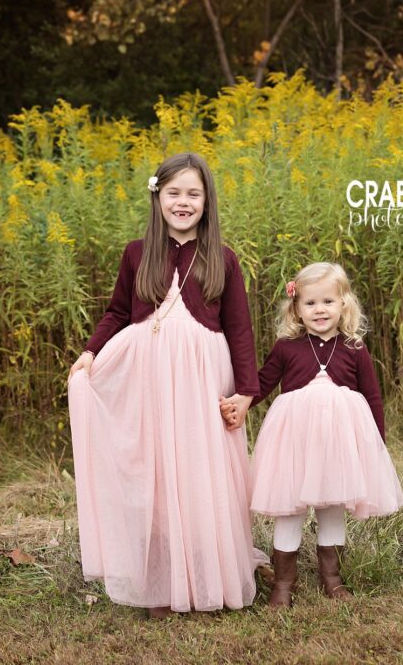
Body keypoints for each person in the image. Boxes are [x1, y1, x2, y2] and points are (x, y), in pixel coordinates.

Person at [67, 152, 261, 618]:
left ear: (207, 201)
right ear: (157, 197)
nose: (183, 202)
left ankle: (205, 576)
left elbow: (240, 329)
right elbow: (117, 311)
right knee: (154, 468)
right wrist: (91, 352)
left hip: (202, 376)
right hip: (147, 375)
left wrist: (247, 393)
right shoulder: (137, 252)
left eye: (193, 193)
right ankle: (160, 582)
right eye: (173, 192)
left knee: (199, 470)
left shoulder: (223, 258)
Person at [222, 262, 403, 607]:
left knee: (333, 506)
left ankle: (332, 579)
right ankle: (283, 584)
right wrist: (240, 401)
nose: (320, 310)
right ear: (297, 309)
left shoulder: (354, 347)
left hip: (338, 445)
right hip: (295, 442)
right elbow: (261, 384)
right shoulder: (287, 347)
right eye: (310, 303)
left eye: (328, 302)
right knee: (289, 508)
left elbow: (372, 396)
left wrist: (375, 443)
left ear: (343, 305)